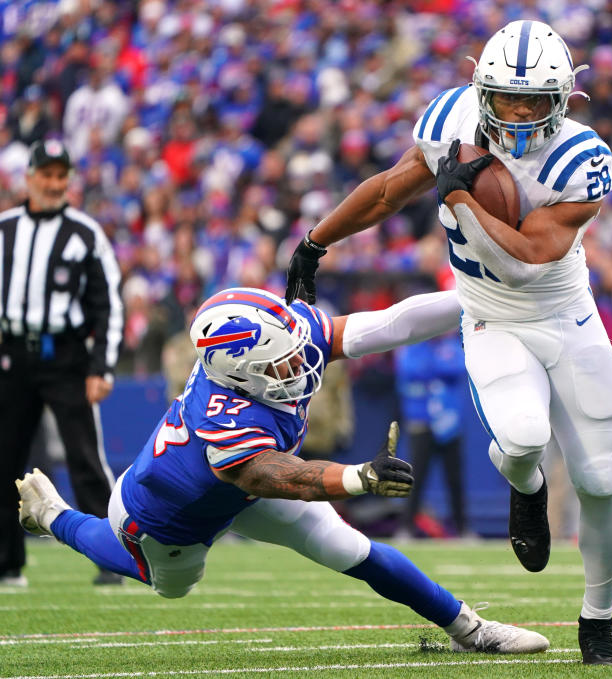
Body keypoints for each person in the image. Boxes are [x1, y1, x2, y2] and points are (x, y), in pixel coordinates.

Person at [285, 20, 612, 665]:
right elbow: (388, 191)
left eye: (534, 100)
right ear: (480, 90)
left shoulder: (583, 158)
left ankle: (597, 620)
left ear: (563, 99)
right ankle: (524, 486)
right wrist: (316, 239)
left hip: (564, 314)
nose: (520, 113)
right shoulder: (450, 124)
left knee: (601, 479)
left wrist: (463, 198)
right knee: (523, 440)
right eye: (506, 98)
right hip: (488, 315)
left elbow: (527, 259)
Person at [17, 287, 548, 655]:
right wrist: (359, 477)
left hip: (242, 488)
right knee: (168, 586)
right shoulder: (223, 418)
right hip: (164, 518)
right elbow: (274, 476)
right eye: (281, 364)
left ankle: (468, 628)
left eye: (295, 352)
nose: (301, 365)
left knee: (353, 550)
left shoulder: (284, 339)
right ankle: (56, 516)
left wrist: (479, 300)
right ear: (239, 375)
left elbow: (391, 324)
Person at [1, 140, 123, 587]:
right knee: (4, 458)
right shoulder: (5, 228)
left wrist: (101, 366)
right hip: (11, 354)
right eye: (46, 175)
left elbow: (108, 304)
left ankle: (113, 559)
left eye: (60, 175)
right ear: (30, 176)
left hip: (67, 356)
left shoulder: (85, 233)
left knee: (85, 460)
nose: (54, 184)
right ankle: (6, 563)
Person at [394, 331, 469, 537]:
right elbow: (408, 370)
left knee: (454, 478)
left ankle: (463, 529)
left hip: (449, 422)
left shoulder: (450, 344)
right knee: (416, 477)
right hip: (421, 421)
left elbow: (459, 367)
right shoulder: (413, 346)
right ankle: (405, 528)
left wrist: (431, 370)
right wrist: (437, 367)